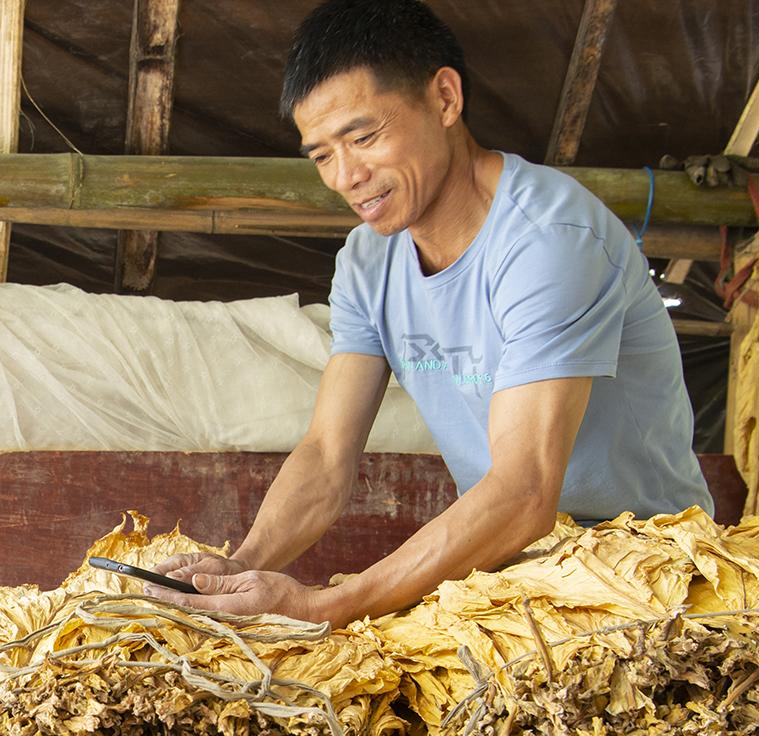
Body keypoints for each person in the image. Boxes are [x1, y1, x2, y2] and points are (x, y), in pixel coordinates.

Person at [157, 0, 711, 623]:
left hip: (648, 569)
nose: (346, 176)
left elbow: (526, 491)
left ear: (445, 99)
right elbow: (326, 454)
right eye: (321, 156)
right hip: (512, 573)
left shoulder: (550, 239)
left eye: (364, 137)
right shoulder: (369, 262)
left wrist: (324, 605)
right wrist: (241, 565)